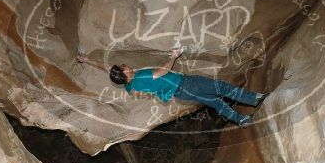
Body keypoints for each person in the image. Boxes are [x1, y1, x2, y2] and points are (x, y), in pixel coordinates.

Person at [76, 48, 266, 127]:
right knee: (220, 87)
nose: (126, 65)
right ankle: (253, 99)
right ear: (125, 74)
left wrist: (88, 60)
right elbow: (163, 70)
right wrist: (175, 55)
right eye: (124, 67)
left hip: (180, 92)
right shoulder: (140, 77)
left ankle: (241, 120)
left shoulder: (128, 86)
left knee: (216, 102)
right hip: (184, 84)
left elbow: (108, 69)